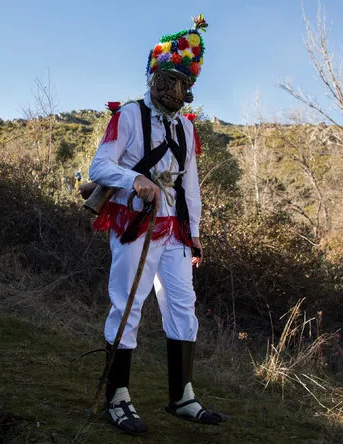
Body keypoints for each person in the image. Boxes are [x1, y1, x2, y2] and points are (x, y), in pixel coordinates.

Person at [88, 14, 224, 436]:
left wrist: (195, 232)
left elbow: (191, 185)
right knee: (127, 303)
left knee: (183, 306)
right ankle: (118, 397)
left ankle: (182, 395)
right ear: (156, 78)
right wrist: (135, 179)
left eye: (183, 83)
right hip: (135, 224)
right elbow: (100, 166)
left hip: (175, 233)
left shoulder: (185, 127)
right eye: (170, 80)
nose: (176, 90)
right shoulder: (128, 116)